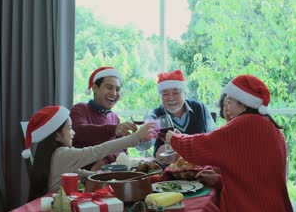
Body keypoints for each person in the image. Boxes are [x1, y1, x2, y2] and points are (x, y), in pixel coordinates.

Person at [166, 75, 293, 212]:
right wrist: (220, 180)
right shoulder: (270, 126)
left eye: (229, 101)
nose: (226, 108)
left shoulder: (241, 126)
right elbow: (252, 178)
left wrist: (175, 139)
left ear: (243, 103)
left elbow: (200, 147)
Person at [22, 105, 156, 201]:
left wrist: (112, 177)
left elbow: (81, 174)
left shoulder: (52, 155)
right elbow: (97, 151)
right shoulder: (62, 154)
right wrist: (135, 137)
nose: (73, 133)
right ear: (56, 135)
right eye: (69, 128)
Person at [70, 66, 137, 171]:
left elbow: (122, 149)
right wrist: (113, 129)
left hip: (104, 176)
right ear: (95, 88)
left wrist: (105, 160)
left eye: (117, 89)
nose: (114, 93)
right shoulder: (80, 109)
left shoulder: (114, 118)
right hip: (79, 177)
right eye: (109, 88)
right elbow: (79, 132)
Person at [144, 69, 214, 157]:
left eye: (176, 92)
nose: (171, 98)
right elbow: (144, 146)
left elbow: (212, 140)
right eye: (165, 94)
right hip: (165, 168)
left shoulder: (200, 108)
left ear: (185, 93)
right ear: (160, 97)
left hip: (199, 165)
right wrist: (142, 137)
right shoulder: (154, 115)